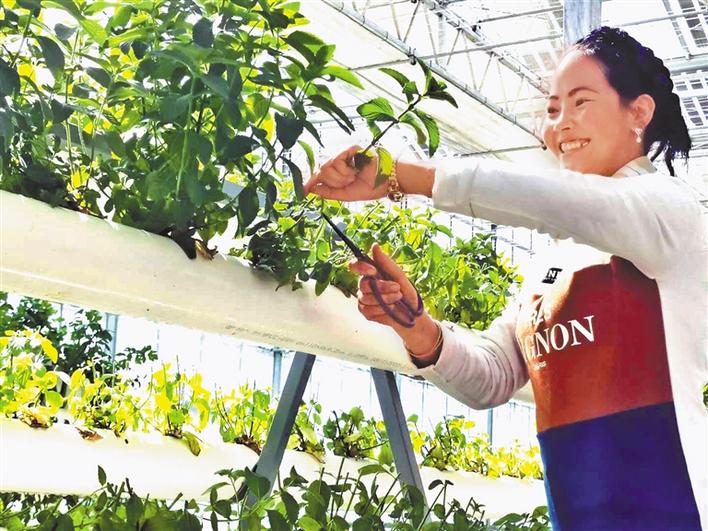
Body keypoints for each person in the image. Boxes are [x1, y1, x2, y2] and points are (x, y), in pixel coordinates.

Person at [303, 26, 706, 530]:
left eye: (581, 102)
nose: (561, 124)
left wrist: (406, 176)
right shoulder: (552, 263)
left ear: (639, 112)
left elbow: (573, 204)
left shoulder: (672, 212)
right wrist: (416, 327)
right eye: (553, 109)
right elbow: (492, 378)